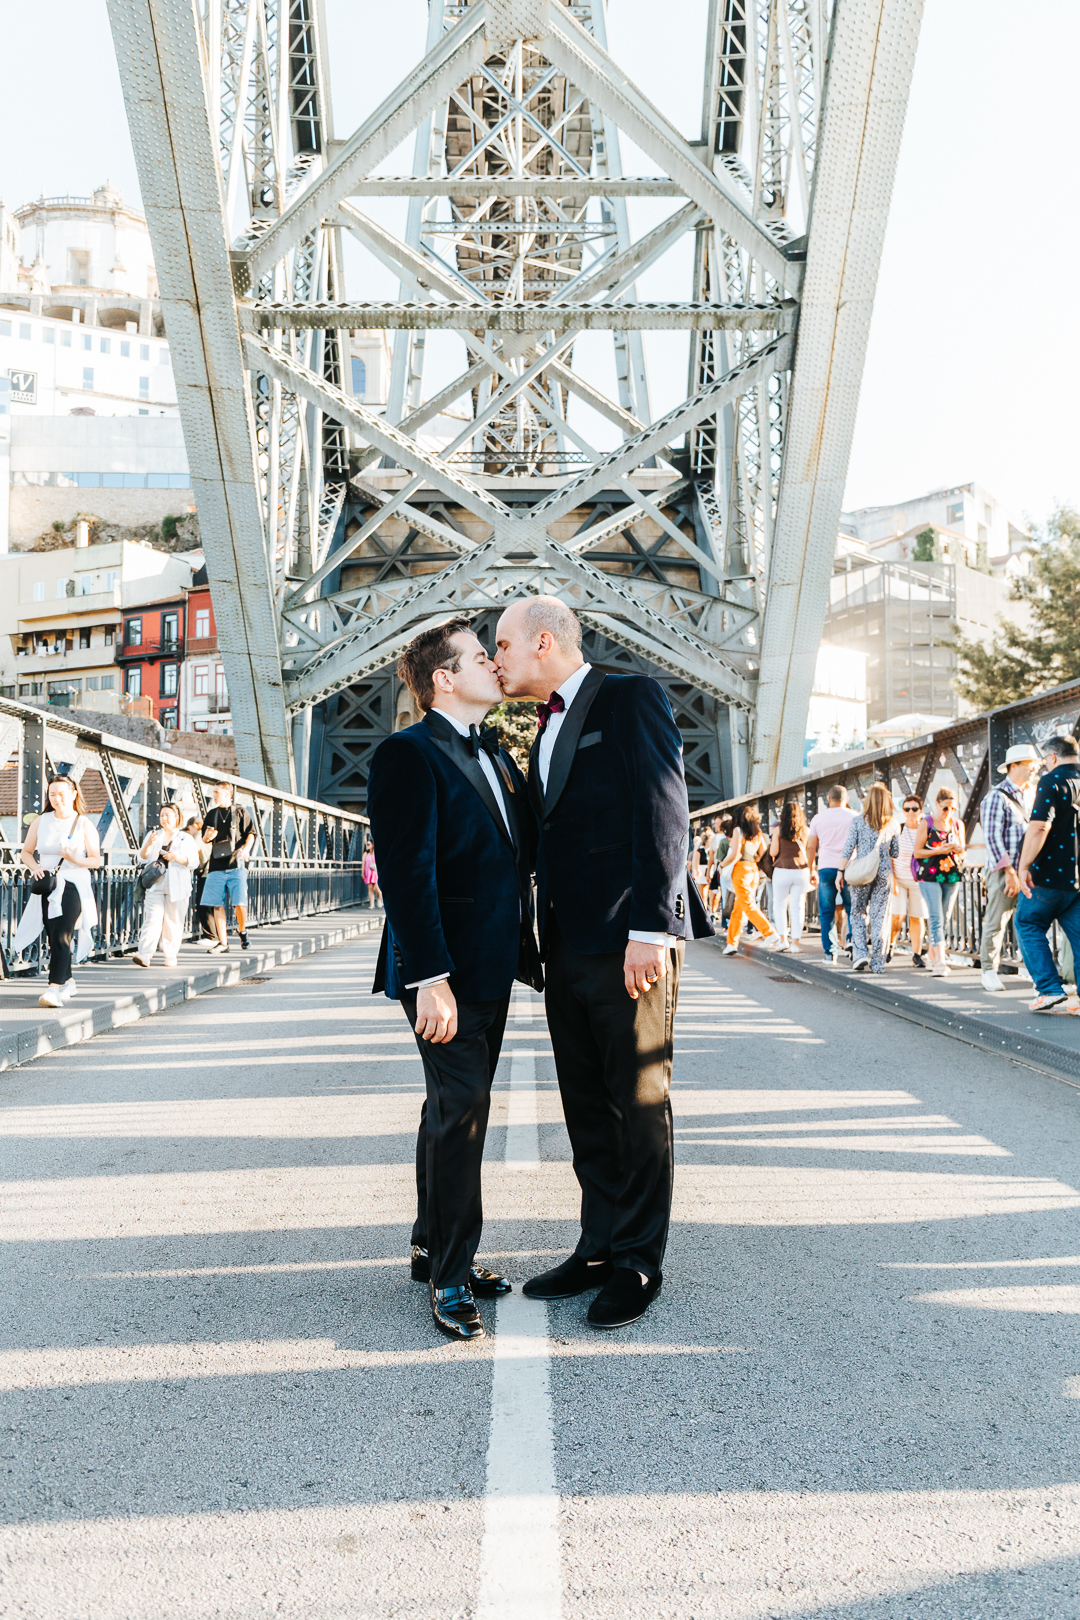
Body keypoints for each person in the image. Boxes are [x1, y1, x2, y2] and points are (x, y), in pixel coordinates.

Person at [493, 595, 712, 1331]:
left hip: (628, 941)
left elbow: (663, 807)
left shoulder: (628, 697)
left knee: (639, 1103)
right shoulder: (540, 730)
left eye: (503, 645)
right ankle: (596, 1246)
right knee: (587, 1105)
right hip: (566, 945)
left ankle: (639, 1261)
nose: (497, 659)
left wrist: (654, 928)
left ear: (544, 641)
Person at [367, 618, 542, 1343]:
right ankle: (450, 1273)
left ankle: (426, 1244)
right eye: (480, 656)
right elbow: (408, 875)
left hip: (490, 961)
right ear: (444, 678)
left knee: (450, 1103)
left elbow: (522, 850)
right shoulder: (407, 755)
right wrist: (430, 977)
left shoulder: (497, 753)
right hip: (442, 967)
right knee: (464, 1109)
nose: (493, 666)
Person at [15, 774, 101, 1008]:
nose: (57, 798)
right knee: (54, 935)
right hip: (48, 883)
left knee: (62, 934)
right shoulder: (40, 821)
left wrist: (75, 858)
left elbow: (96, 860)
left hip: (73, 883)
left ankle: (53, 989)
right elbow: (26, 852)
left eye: (62, 794)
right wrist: (35, 868)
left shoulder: (83, 823)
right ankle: (69, 981)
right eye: (52, 794)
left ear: (74, 794)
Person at [1015, 735, 1080, 1013]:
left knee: (1028, 923)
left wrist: (1023, 866)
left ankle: (1049, 989)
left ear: (1052, 757)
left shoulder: (1052, 780)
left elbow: (1040, 827)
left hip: (1047, 875)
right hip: (1077, 879)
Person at [979, 744, 1039, 992]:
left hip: (1027, 872)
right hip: (1006, 871)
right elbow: (992, 838)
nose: (1034, 769)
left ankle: (1039, 976)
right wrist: (1009, 872)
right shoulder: (996, 796)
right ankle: (988, 970)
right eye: (1029, 765)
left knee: (1031, 922)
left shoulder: (1032, 793)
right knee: (997, 920)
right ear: (1013, 767)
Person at [837, 783, 900, 974]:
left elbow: (848, 848)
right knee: (880, 917)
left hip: (862, 871)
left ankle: (860, 954)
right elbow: (895, 852)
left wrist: (840, 871)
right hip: (883, 873)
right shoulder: (894, 824)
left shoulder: (858, 821)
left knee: (857, 912)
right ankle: (878, 963)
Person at [133, 803, 201, 968]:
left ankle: (170, 955)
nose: (164, 819)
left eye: (168, 815)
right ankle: (145, 954)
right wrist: (149, 843)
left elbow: (194, 862)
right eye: (162, 815)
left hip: (177, 885)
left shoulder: (185, 838)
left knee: (173, 920)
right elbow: (141, 858)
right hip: (155, 884)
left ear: (177, 817)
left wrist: (176, 857)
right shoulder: (153, 834)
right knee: (151, 918)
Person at [913, 786, 966, 977]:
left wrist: (957, 849)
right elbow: (917, 852)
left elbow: (964, 850)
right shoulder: (926, 823)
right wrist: (939, 850)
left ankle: (932, 956)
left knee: (944, 916)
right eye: (945, 808)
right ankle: (941, 961)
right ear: (936, 804)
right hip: (929, 875)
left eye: (952, 809)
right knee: (936, 917)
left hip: (951, 874)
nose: (949, 812)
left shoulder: (957, 824)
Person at [200, 782, 255, 954]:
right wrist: (208, 837)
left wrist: (246, 849)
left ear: (228, 795)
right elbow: (204, 839)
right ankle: (223, 943)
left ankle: (242, 930)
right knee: (216, 904)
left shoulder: (240, 812)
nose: (214, 795)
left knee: (239, 903)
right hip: (216, 865)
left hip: (236, 863)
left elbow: (251, 834)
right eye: (214, 791)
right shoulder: (211, 814)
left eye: (217, 792)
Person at [719, 805, 780, 955]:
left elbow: (734, 854)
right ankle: (731, 943)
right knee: (738, 909)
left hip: (741, 870)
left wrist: (721, 864)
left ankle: (770, 933)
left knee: (747, 906)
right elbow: (762, 854)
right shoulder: (758, 832)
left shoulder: (737, 831)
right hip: (753, 870)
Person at [807, 785, 855, 963]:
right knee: (852, 910)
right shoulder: (854, 817)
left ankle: (830, 953)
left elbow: (811, 846)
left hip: (826, 868)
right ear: (846, 799)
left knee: (826, 912)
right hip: (849, 868)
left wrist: (810, 869)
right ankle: (852, 945)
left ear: (828, 799)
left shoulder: (818, 818)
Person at [890, 795, 929, 968]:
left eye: (914, 809)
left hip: (918, 881)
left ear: (920, 810)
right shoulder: (898, 830)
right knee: (897, 916)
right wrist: (893, 881)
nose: (911, 812)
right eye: (907, 809)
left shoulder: (926, 830)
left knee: (917, 917)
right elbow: (889, 856)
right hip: (899, 879)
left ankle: (916, 954)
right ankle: (890, 945)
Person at [769, 800, 813, 952]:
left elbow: (773, 852)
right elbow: (809, 852)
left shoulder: (778, 830)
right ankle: (795, 944)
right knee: (798, 908)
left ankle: (783, 940)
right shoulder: (805, 830)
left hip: (782, 870)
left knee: (780, 906)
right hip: (801, 871)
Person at [186, 815, 214, 938]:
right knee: (212, 906)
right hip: (213, 872)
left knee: (203, 905)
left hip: (205, 874)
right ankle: (215, 934)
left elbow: (194, 849)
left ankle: (210, 935)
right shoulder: (211, 833)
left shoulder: (199, 834)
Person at [362, 838, 382, 908]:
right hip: (368, 872)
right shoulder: (366, 853)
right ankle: (372, 903)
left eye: (368, 844)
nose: (367, 846)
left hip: (375, 872)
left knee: (377, 888)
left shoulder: (376, 853)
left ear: (373, 845)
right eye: (367, 844)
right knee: (370, 888)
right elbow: (363, 864)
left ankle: (379, 900)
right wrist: (362, 873)